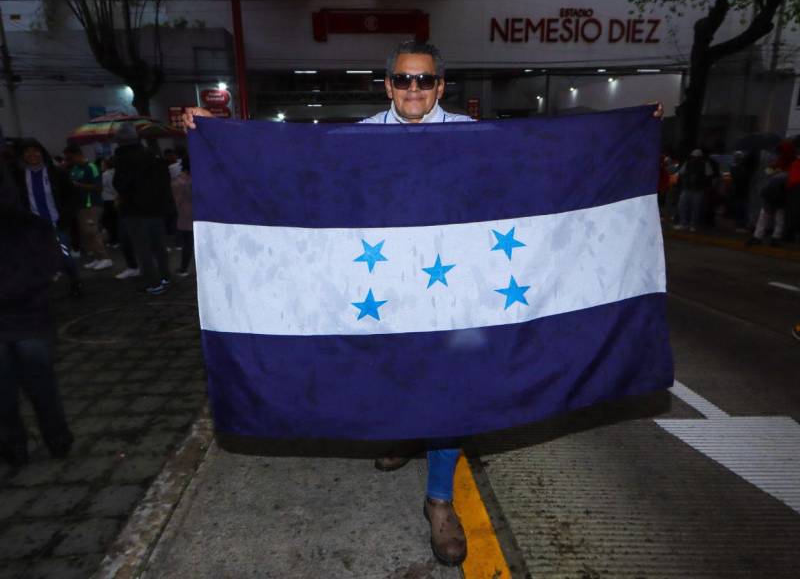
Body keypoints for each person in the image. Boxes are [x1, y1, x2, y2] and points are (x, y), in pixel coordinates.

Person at [182, 40, 665, 568]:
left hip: (454, 295)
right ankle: (402, 429)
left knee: (449, 382)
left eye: (426, 80)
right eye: (405, 80)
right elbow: (289, 170)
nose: (415, 89)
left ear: (441, 86)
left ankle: (439, 498)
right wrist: (216, 134)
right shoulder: (356, 142)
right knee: (391, 371)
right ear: (388, 85)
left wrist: (629, 130)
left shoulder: (472, 137)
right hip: (386, 290)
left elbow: (546, 160)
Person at [0, 162, 74, 466]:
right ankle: (57, 440)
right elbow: (51, 265)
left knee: (3, 394)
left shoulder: (32, 224)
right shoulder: (33, 225)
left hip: (15, 320)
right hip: (31, 317)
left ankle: (14, 447)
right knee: (42, 386)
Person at [12, 139, 82, 296]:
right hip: (32, 226)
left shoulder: (57, 173)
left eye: (35, 150)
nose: (32, 155)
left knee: (64, 256)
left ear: (42, 152)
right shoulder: (18, 177)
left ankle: (75, 280)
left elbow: (72, 196)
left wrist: (65, 218)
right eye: (27, 152)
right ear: (22, 156)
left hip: (56, 222)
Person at [112, 122, 176, 295]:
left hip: (135, 210)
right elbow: (163, 181)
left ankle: (154, 283)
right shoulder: (150, 154)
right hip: (156, 209)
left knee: (143, 249)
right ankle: (165, 277)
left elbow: (120, 184)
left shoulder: (123, 158)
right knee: (159, 247)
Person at [63, 144, 113, 270]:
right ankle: (97, 257)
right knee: (86, 233)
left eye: (70, 158)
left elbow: (98, 187)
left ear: (78, 155)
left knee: (92, 231)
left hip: (91, 204)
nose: (69, 160)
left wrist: (78, 185)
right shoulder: (74, 168)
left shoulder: (91, 167)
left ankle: (105, 258)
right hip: (80, 205)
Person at [748, 140, 794, 247]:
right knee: (775, 216)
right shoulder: (783, 162)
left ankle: (761, 237)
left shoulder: (782, 163)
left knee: (769, 215)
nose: (779, 154)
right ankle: (772, 238)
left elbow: (767, 174)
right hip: (778, 193)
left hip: (776, 192)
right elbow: (766, 174)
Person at [675, 149, 715, 232]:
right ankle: (683, 223)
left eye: (697, 157)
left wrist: (702, 183)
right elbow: (681, 174)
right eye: (694, 157)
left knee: (696, 208)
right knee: (683, 206)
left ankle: (693, 225)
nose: (695, 159)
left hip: (698, 189)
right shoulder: (688, 163)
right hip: (687, 188)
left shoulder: (705, 164)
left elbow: (709, 177)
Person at [171, 155, 194, 277]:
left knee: (187, 243)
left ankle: (184, 268)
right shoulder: (196, 178)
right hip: (193, 213)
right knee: (189, 242)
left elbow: (177, 200)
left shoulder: (180, 181)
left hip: (185, 214)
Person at [100, 157, 120, 248]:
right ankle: (120, 239)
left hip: (108, 199)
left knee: (110, 222)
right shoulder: (117, 172)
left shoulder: (105, 175)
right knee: (117, 220)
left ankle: (115, 240)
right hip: (117, 198)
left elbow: (107, 186)